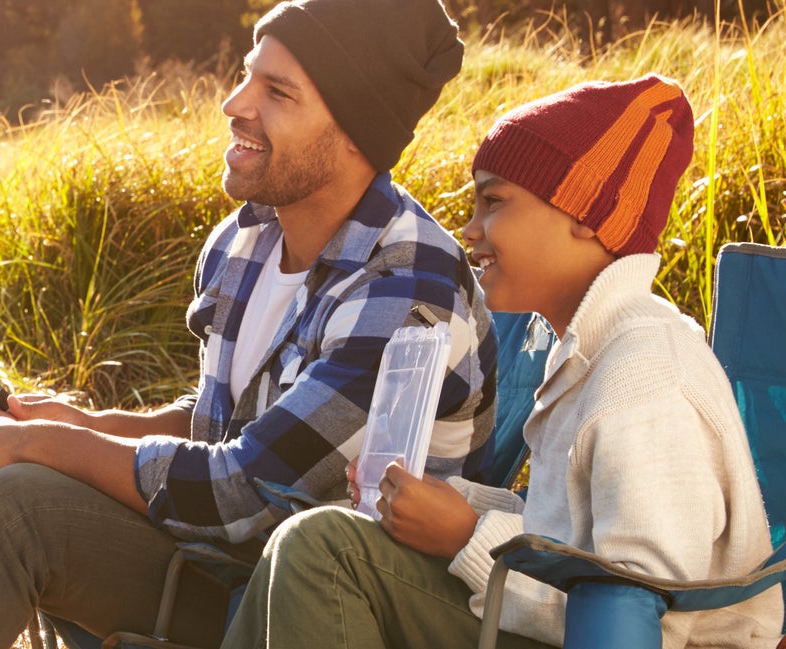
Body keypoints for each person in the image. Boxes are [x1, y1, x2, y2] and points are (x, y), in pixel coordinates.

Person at [0, 0, 494, 647]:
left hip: (280, 600)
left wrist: (47, 442)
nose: (235, 103)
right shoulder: (247, 240)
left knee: (19, 508)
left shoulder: (408, 285)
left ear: (358, 133)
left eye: (277, 93)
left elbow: (240, 493)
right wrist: (88, 419)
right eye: (246, 74)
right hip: (205, 556)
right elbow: (216, 426)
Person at [222, 75, 783, 648]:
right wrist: (459, 502)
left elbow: (644, 608)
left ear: (587, 214)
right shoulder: (588, 347)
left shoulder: (644, 374)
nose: (468, 231)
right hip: (556, 620)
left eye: (494, 203)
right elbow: (573, 535)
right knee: (303, 546)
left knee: (326, 552)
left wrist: (467, 535)